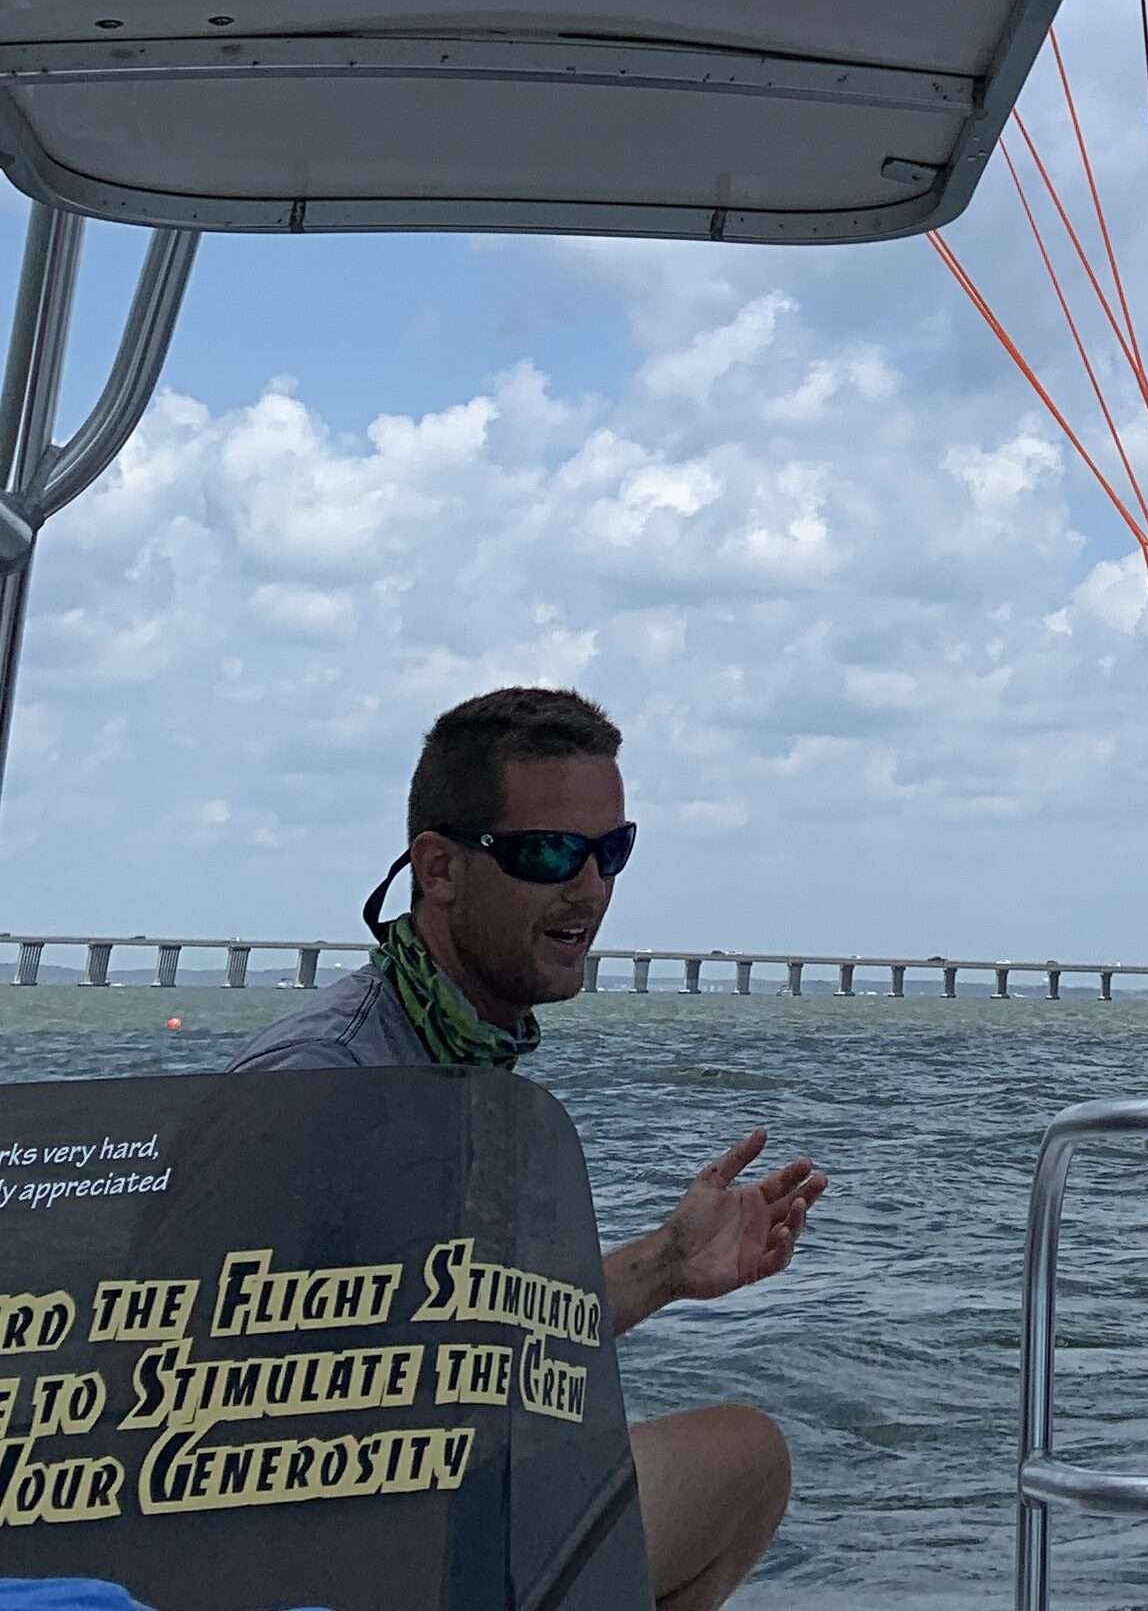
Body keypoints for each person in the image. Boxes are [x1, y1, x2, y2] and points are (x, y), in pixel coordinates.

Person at [233, 684, 822, 1611]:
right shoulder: (326, 1082)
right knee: (739, 1459)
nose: (589, 888)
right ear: (438, 869)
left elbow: (458, 1336)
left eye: (611, 851)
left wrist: (669, 1264)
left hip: (404, 1500)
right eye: (549, 852)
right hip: (314, 1549)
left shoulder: (452, 1051)